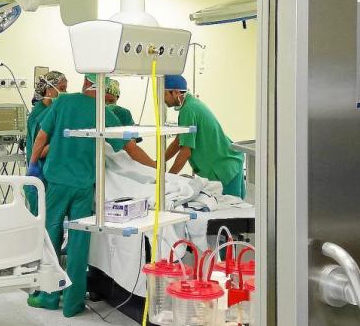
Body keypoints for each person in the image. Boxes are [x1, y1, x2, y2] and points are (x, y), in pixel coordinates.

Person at [26, 74, 155, 317]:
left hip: (58, 182)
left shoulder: (64, 102)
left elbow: (42, 137)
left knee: (50, 237)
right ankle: (73, 303)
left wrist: (33, 166)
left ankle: (49, 296)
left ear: (85, 82)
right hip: (84, 186)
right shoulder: (104, 113)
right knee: (79, 243)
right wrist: (156, 168)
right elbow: (130, 147)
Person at [163, 74, 245, 198]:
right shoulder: (191, 104)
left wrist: (168, 180)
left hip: (225, 168)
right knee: (237, 205)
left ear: (175, 92)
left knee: (232, 206)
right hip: (229, 161)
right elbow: (179, 141)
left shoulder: (188, 110)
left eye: (164, 94)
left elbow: (185, 152)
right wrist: (159, 161)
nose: (163, 99)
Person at [25, 70, 67, 216]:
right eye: (61, 89)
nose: (65, 93)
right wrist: (62, 141)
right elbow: (39, 151)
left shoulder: (51, 111)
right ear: (49, 90)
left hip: (50, 178)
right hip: (40, 178)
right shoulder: (39, 115)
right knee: (42, 222)